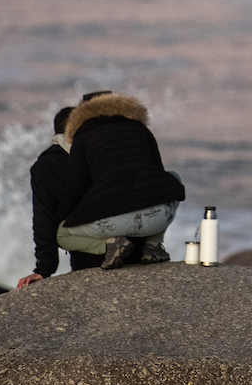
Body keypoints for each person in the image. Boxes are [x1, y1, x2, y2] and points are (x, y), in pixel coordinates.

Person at [56, 91, 185, 272]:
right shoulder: (141, 130)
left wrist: (63, 215)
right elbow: (159, 175)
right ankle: (153, 244)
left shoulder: (83, 137)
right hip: (158, 218)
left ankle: (111, 246)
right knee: (174, 178)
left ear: (81, 112)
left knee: (62, 233)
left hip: (113, 224)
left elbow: (77, 188)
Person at [15, 105, 83, 290]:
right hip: (133, 236)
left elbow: (44, 217)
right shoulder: (100, 153)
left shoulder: (45, 166)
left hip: (86, 250)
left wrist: (44, 269)